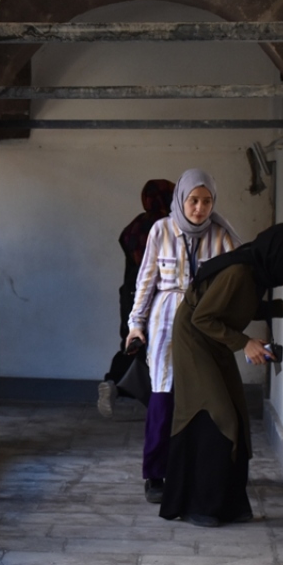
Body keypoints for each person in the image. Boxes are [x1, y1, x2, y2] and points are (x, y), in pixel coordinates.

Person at [160, 223, 283, 527]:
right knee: (217, 415)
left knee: (237, 414)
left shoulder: (256, 272)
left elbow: (239, 306)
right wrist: (245, 343)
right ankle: (199, 505)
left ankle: (228, 504)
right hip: (195, 340)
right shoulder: (240, 272)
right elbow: (202, 317)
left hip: (216, 339)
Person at [125, 169, 242, 504]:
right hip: (165, 322)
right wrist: (136, 324)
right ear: (182, 199)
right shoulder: (161, 230)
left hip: (204, 321)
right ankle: (156, 473)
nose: (199, 208)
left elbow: (237, 276)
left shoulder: (220, 235)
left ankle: (198, 470)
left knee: (205, 397)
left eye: (206, 201)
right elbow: (145, 281)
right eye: (193, 200)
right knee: (164, 395)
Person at [98, 179, 175, 417]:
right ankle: (158, 405)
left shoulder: (133, 227)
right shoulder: (169, 227)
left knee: (132, 344)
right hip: (159, 294)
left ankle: (112, 382)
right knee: (162, 346)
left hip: (130, 292)